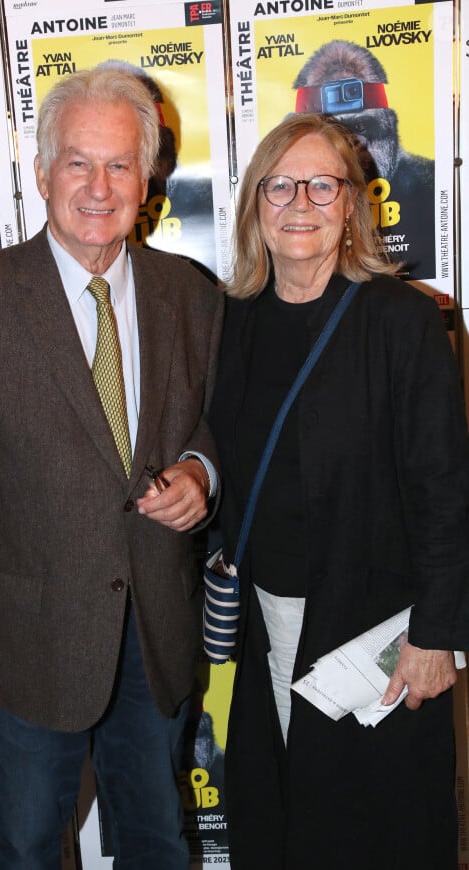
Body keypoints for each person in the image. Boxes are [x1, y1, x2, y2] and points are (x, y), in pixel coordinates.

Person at [0, 66, 223, 870]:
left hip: (153, 631)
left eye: (120, 164)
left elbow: (219, 423)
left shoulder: (190, 294)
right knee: (26, 847)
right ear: (42, 172)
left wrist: (201, 473)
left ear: (147, 179)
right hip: (24, 642)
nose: (98, 186)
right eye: (78, 162)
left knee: (156, 841)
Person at [208, 112, 469, 869]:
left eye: (323, 186)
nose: (300, 203)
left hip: (375, 635)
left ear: (354, 204)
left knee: (374, 826)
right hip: (267, 622)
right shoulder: (231, 322)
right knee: (280, 813)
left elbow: (445, 491)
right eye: (280, 185)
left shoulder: (404, 321)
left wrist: (436, 636)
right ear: (256, 204)